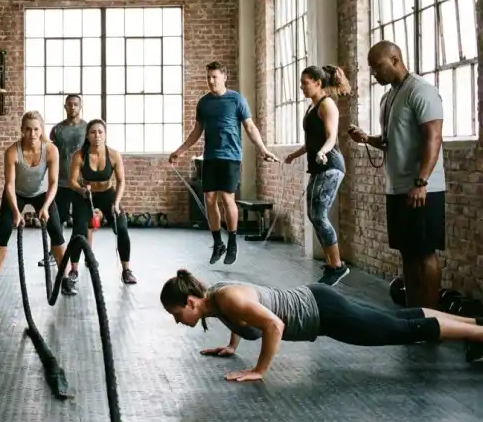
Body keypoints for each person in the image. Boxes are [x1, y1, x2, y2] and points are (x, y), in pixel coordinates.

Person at [161, 269, 483, 382]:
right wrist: (233, 346)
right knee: (400, 319)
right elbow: (245, 317)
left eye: (176, 315)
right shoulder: (215, 299)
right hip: (319, 302)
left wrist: (259, 370)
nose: (178, 322)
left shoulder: (225, 299)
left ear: (190, 302)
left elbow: (273, 325)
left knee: (401, 330)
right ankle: (473, 321)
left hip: (324, 313)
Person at [348, 41, 446, 309]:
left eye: (377, 67)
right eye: (371, 69)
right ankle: (414, 315)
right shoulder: (389, 97)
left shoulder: (422, 91)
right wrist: (367, 138)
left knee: (425, 253)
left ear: (395, 59)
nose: (374, 74)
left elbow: (433, 137)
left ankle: (433, 319)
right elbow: (391, 141)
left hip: (424, 188)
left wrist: (421, 182)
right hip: (398, 187)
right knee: (408, 252)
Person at [169, 61, 279, 265]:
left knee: (227, 199)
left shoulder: (236, 99)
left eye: (214, 77)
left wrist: (263, 150)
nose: (211, 81)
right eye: (208, 77)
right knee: (209, 199)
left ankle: (233, 243)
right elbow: (196, 132)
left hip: (231, 157)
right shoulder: (203, 103)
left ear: (224, 77)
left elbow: (250, 127)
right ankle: (218, 242)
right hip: (210, 157)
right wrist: (179, 151)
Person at [0, 111, 72, 296]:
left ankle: (64, 279)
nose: (32, 134)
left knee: (56, 232)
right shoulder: (12, 152)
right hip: (16, 193)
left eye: (36, 129)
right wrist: (16, 212)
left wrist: (46, 207)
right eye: (28, 129)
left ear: (41, 130)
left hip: (41, 193)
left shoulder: (50, 150)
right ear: (22, 130)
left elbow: (54, 182)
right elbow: (8, 184)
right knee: (4, 231)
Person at [284, 65, 351, 286]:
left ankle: (337, 265)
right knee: (314, 216)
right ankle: (332, 264)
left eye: (305, 82)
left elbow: (331, 136)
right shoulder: (312, 107)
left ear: (318, 83)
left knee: (319, 215)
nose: (301, 87)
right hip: (318, 167)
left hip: (330, 166)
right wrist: (294, 155)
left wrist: (323, 151)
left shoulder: (327, 104)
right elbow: (311, 140)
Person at [65, 119, 136, 287]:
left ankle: (126, 270)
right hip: (86, 195)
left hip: (108, 194)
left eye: (100, 132)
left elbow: (121, 181)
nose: (96, 135)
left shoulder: (113, 155)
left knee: (122, 227)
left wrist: (116, 203)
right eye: (92, 132)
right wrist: (82, 190)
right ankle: (73, 270)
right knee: (79, 230)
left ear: (105, 135)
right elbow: (72, 181)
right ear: (87, 135)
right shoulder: (79, 155)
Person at [40, 94, 87, 268]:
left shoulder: (87, 128)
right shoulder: (57, 130)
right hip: (61, 182)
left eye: (75, 104)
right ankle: (53, 254)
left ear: (80, 107)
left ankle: (87, 256)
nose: (72, 107)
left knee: (83, 223)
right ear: (65, 107)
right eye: (69, 104)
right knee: (57, 221)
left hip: (81, 183)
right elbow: (50, 153)